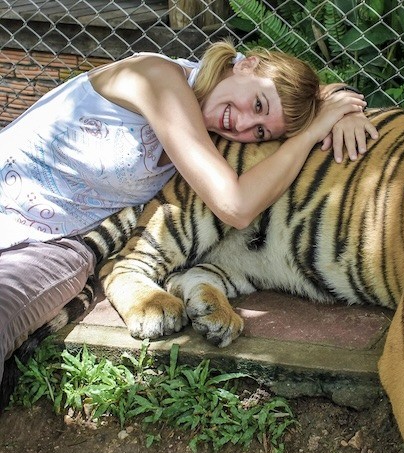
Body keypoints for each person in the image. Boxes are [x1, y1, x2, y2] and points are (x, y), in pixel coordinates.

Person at [0, 40, 379, 397]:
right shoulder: (158, 78)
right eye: (258, 105)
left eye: (260, 131)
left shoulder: (211, 119)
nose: (243, 126)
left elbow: (311, 91)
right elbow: (234, 205)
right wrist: (314, 128)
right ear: (247, 63)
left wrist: (345, 108)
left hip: (60, 248)